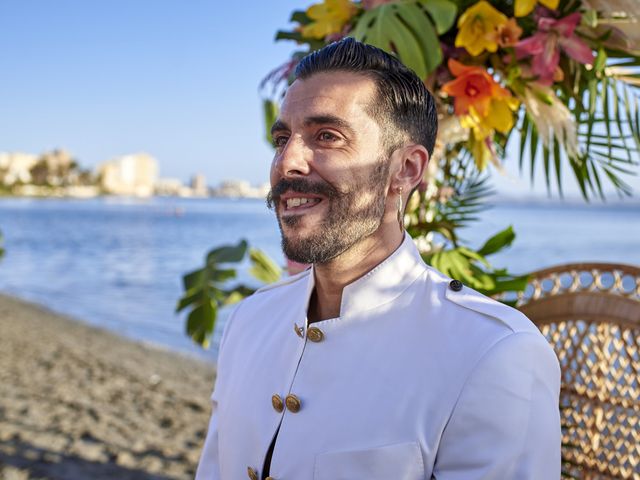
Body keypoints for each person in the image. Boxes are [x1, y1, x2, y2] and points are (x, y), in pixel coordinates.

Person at [196, 38, 561, 480]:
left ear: (405, 170)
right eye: (282, 138)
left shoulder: (493, 353)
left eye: (327, 136)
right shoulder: (250, 321)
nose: (286, 161)